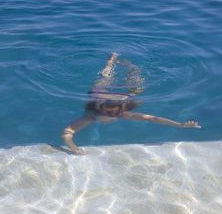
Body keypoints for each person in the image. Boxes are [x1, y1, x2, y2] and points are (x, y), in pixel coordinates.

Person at [62, 52, 201, 154]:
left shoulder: (114, 114)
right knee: (129, 84)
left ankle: (124, 64)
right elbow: (67, 133)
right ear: (99, 109)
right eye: (108, 114)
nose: (110, 117)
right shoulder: (92, 116)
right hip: (106, 94)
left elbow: (153, 119)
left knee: (109, 77)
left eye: (113, 114)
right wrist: (74, 148)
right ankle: (112, 61)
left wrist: (180, 125)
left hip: (104, 93)